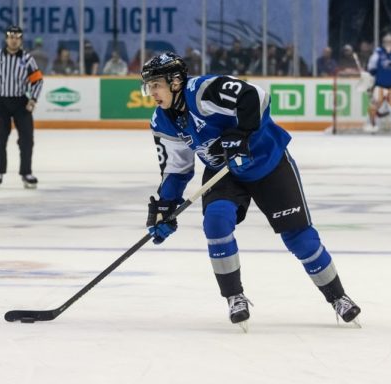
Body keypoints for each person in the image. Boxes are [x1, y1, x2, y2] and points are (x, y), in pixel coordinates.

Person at [140, 52, 361, 329]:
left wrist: (241, 133)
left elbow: (255, 96)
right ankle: (235, 297)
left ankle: (337, 296)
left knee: (299, 238)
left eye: (156, 85)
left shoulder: (203, 91)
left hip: (267, 162)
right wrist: (166, 205)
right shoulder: (162, 120)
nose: (152, 93)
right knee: (216, 221)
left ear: (175, 82)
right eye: (149, 87)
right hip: (224, 172)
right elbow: (176, 167)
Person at [0, 25, 43, 189]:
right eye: (11, 37)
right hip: (1, 102)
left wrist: (33, 99)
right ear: (6, 39)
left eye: (17, 37)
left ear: (21, 40)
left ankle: (26, 173)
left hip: (21, 102)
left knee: (27, 139)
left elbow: (37, 80)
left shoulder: (27, 59)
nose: (13, 40)